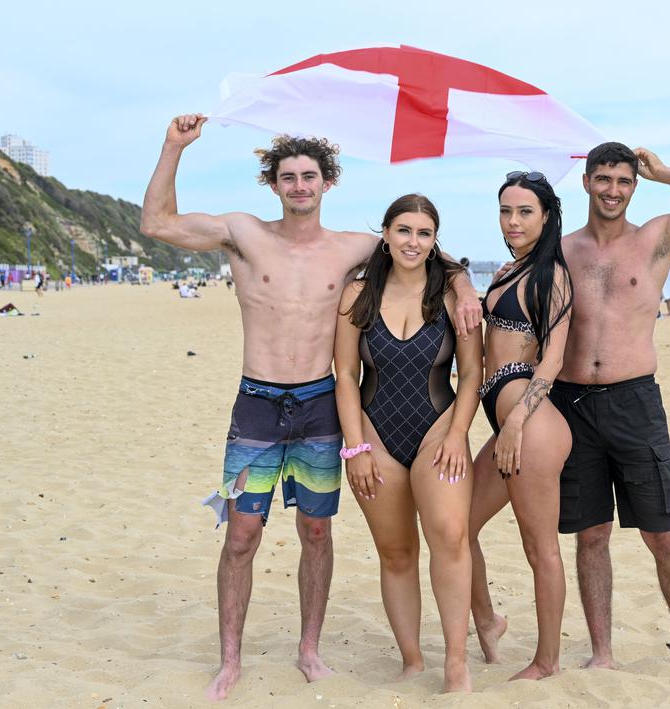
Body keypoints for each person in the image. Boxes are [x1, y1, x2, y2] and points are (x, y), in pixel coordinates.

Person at [139, 113, 480, 701]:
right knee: (241, 535)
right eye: (289, 177)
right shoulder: (243, 233)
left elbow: (418, 248)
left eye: (310, 176)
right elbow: (156, 222)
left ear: (328, 184)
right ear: (273, 183)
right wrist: (174, 147)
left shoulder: (353, 248)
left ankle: (310, 650)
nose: (300, 186)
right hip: (257, 403)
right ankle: (229, 660)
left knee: (316, 532)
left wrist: (466, 284)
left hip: (320, 404)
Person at [550, 142, 670, 681]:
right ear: (586, 181)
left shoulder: (656, 239)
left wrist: (664, 172)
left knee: (663, 533)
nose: (613, 190)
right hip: (571, 405)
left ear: (634, 186)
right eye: (604, 179)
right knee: (591, 535)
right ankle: (602, 651)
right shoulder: (561, 249)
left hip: (634, 401)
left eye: (624, 181)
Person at [334, 194, 482, 693]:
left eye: (423, 233)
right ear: (386, 234)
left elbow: (473, 374)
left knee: (450, 536)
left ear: (435, 240)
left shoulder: (450, 298)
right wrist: (355, 448)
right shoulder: (358, 295)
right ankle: (413, 660)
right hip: (375, 435)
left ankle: (456, 664)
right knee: (396, 552)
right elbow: (345, 377)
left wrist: (459, 434)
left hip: (438, 430)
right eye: (403, 230)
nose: (412, 241)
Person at [468, 171, 573, 681]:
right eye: (506, 211)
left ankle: (547, 662)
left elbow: (551, 359)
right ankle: (488, 621)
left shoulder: (551, 273)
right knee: (457, 527)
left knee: (540, 549)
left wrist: (514, 424)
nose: (513, 221)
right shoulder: (509, 270)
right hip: (507, 416)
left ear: (547, 216)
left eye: (524, 211)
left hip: (529, 423)